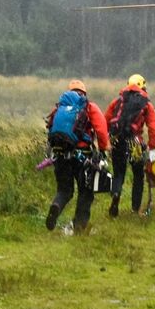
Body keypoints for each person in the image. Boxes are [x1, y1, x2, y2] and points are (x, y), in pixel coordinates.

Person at [44, 79, 110, 234]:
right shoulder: (89, 106)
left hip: (60, 155)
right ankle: (79, 228)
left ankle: (56, 206)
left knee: (64, 190)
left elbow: (51, 128)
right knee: (86, 192)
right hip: (83, 156)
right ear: (84, 93)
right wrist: (102, 150)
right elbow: (101, 130)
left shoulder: (59, 108)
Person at [104, 74, 155, 217]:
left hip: (117, 141)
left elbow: (105, 121)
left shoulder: (117, 101)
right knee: (138, 176)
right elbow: (153, 127)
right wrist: (152, 147)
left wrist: (105, 142)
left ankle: (116, 194)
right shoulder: (146, 103)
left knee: (118, 174)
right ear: (143, 86)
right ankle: (135, 209)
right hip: (135, 143)